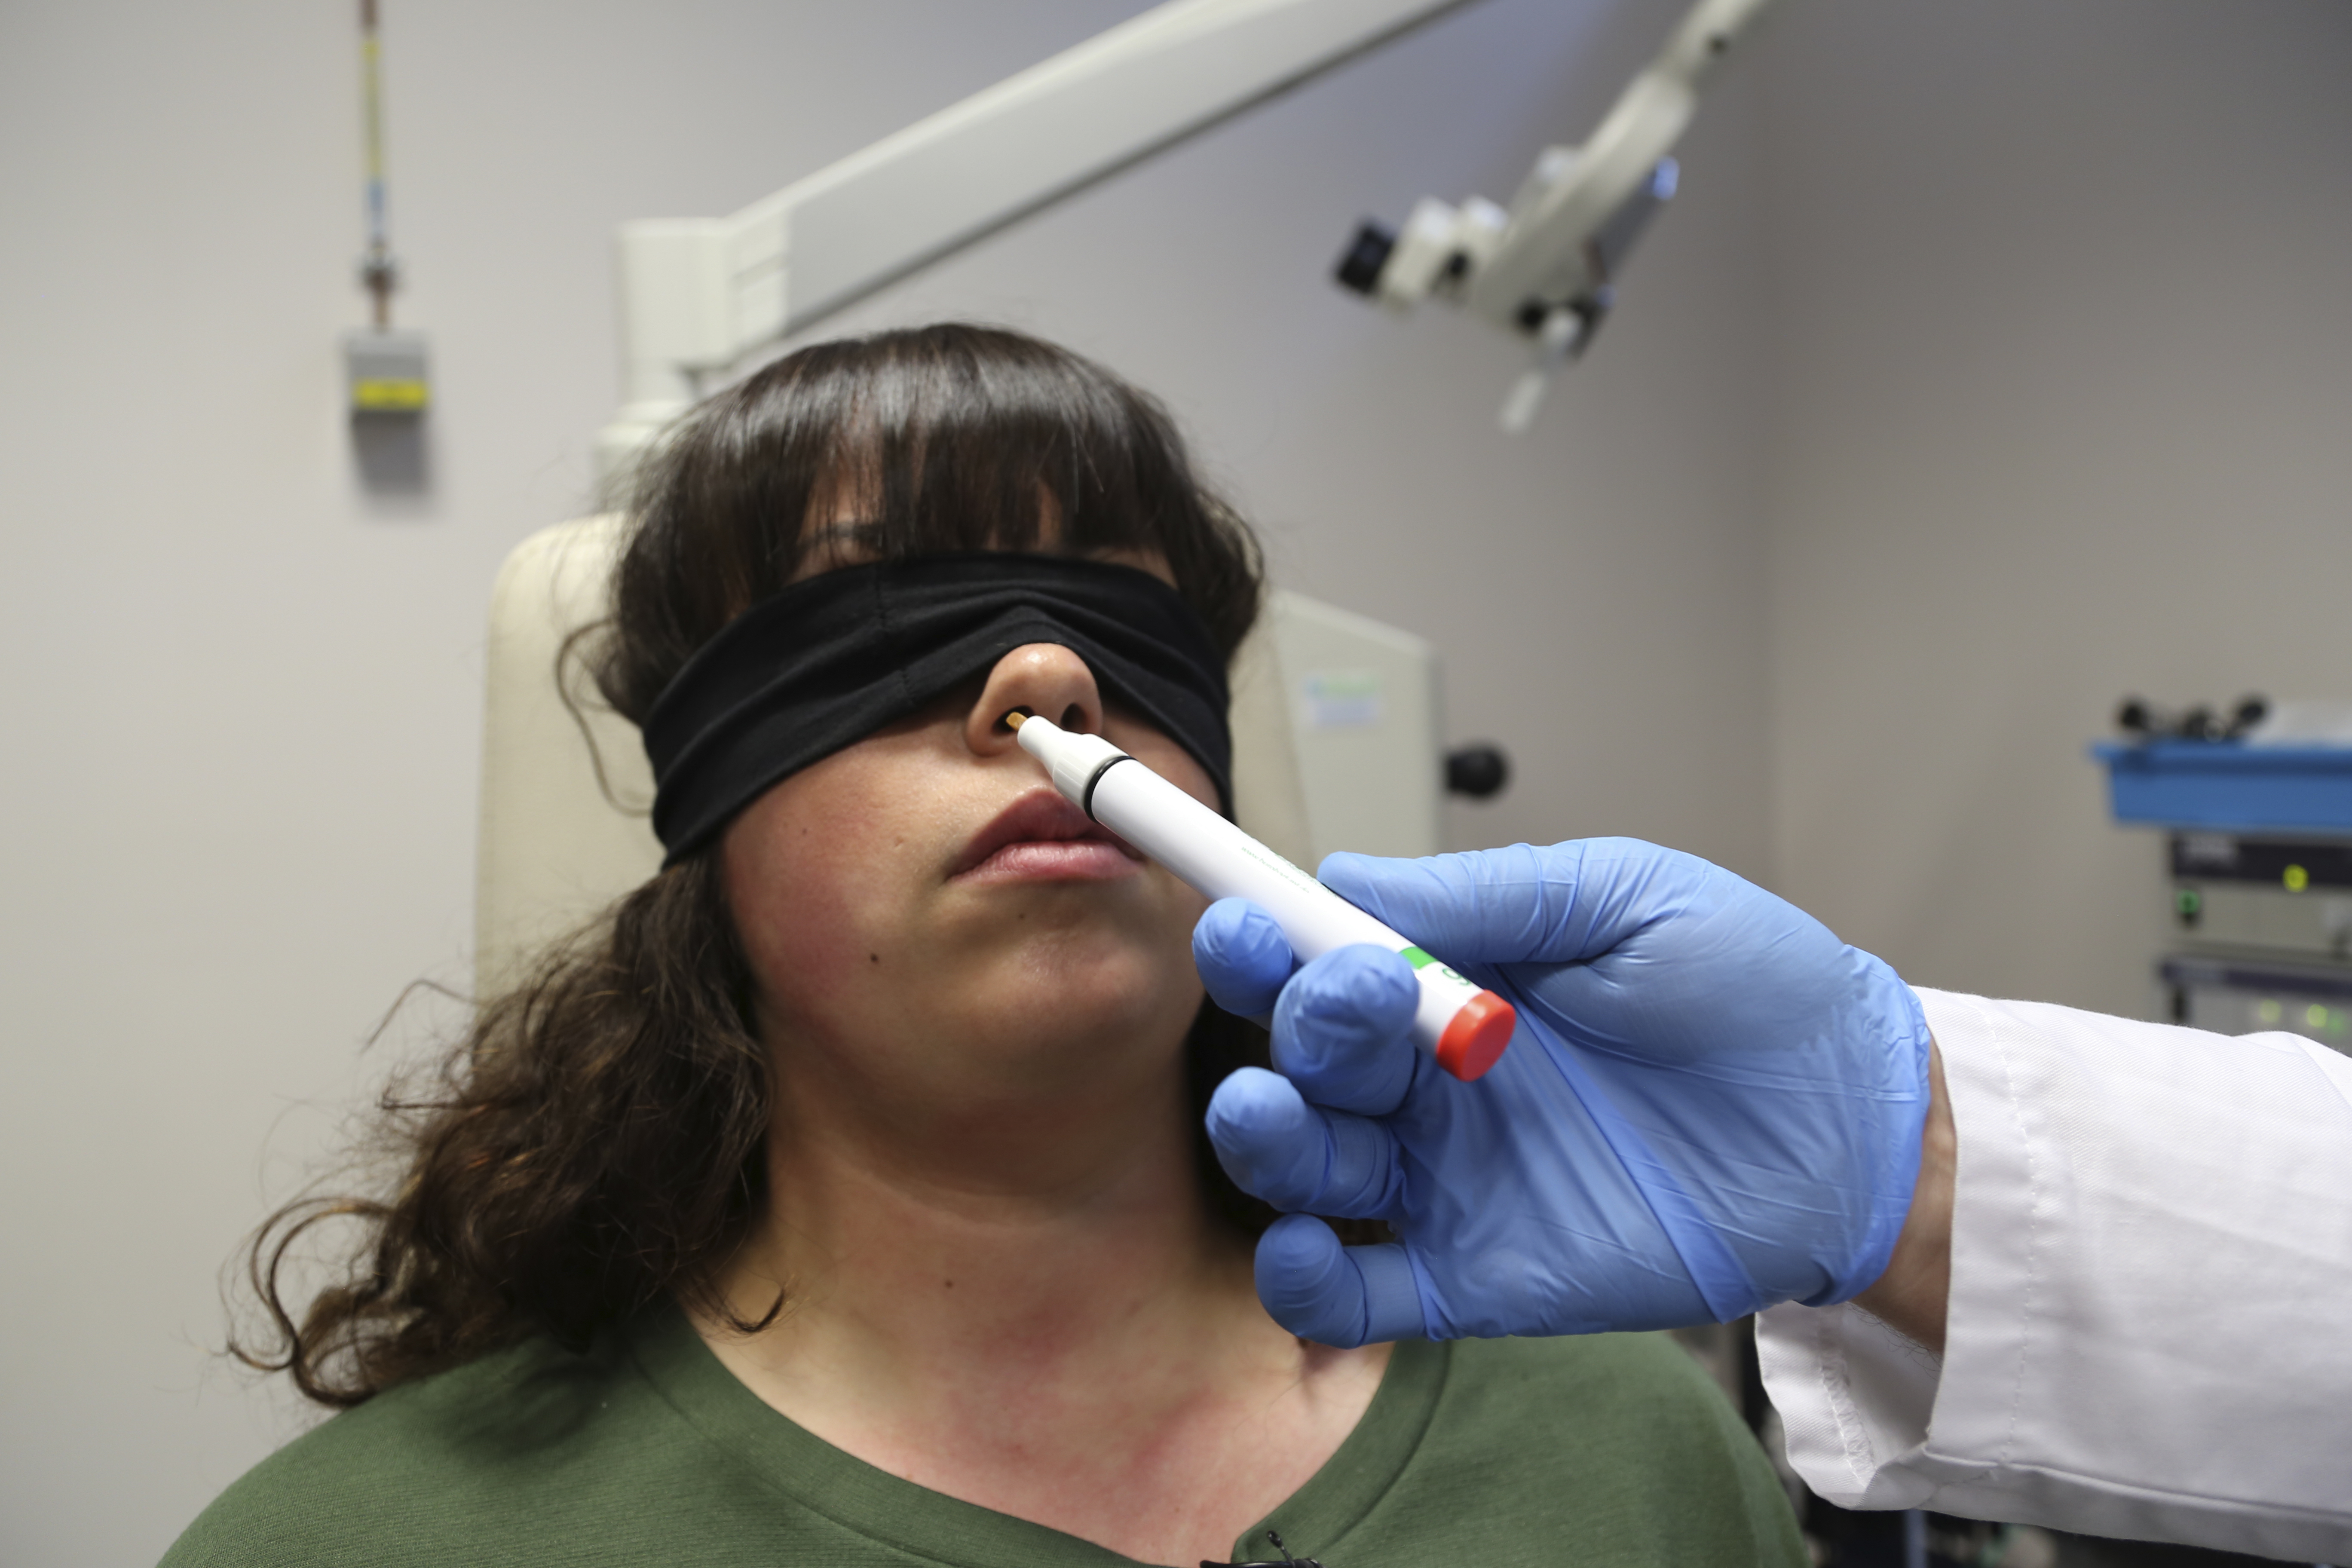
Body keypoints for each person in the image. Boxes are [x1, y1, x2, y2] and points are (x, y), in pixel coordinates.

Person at [164, 327, 1804, 1567]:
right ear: (708, 809)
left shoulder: (1634, 1461)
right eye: (887, 627)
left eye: (1119, 627)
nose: (1046, 678)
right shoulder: (375, 1543)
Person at [1191, 840, 2352, 1564]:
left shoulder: (1643, 1433)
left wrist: (1901, 1164)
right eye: (996, 612)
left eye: (1135, 643)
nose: (1050, 678)